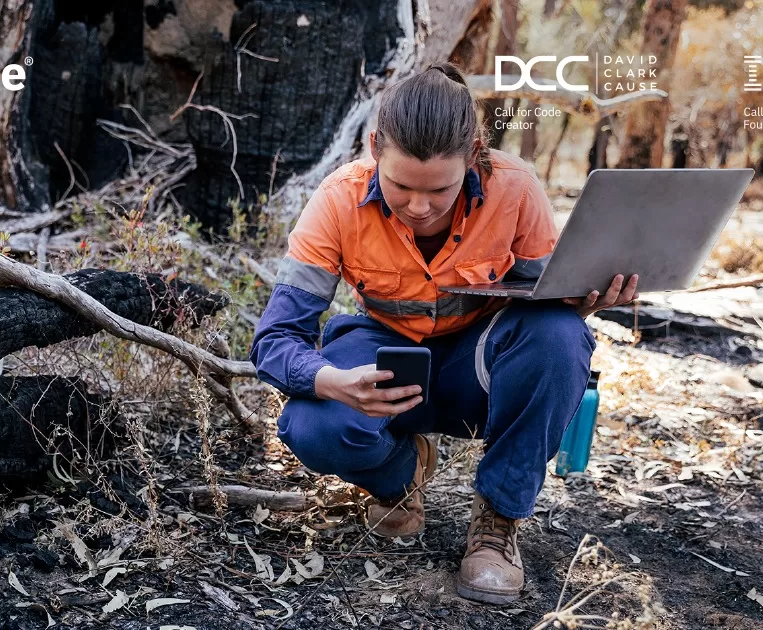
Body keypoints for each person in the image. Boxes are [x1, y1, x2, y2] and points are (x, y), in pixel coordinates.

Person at [248, 62, 639, 604]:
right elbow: (275, 340)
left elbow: (545, 318)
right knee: (310, 425)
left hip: (477, 370)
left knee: (559, 333)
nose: (420, 207)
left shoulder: (516, 189)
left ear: (474, 155)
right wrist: (332, 381)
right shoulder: (337, 199)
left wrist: (583, 301)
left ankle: (498, 520)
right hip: (385, 360)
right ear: (374, 147)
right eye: (400, 185)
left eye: (440, 189)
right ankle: (401, 475)